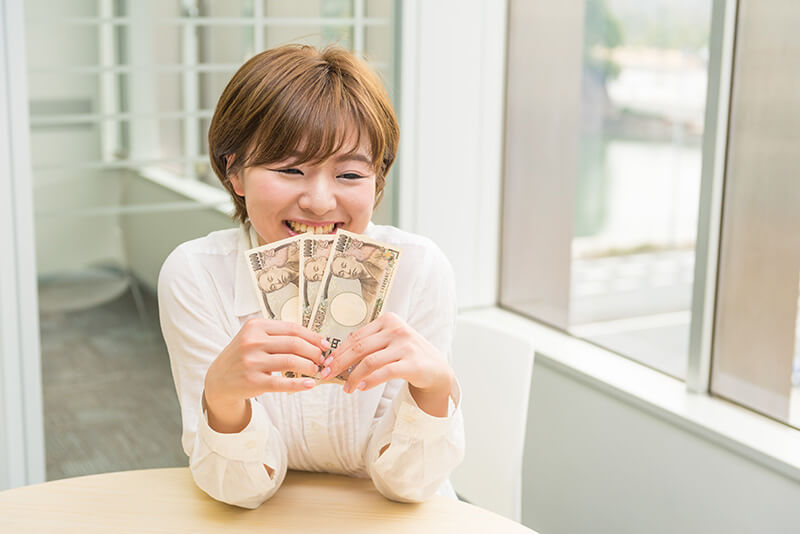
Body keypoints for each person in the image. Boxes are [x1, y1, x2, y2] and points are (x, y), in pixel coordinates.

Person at [157, 44, 464, 509]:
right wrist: (222, 398)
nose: (320, 202)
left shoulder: (419, 269)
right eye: (291, 169)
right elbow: (240, 490)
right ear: (234, 171)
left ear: (377, 181)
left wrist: (434, 388)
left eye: (349, 174)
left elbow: (408, 487)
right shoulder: (196, 275)